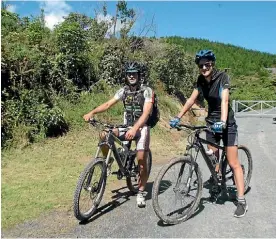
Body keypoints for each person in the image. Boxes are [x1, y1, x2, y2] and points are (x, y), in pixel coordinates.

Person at [169, 50, 248, 218]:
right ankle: (217, 178)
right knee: (212, 155)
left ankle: (241, 201)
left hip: (227, 123)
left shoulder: (222, 77)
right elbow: (191, 100)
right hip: (211, 122)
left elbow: (225, 99)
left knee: (233, 163)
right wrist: (178, 116)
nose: (204, 67)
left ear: (212, 64)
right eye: (201, 65)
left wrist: (224, 121)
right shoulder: (200, 80)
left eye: (207, 64)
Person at [83, 61, 154, 208]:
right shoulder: (124, 91)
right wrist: (93, 112)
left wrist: (135, 128)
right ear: (126, 76)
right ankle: (106, 162)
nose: (131, 76)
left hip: (142, 128)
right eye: (129, 73)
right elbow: (108, 104)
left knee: (141, 159)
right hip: (126, 126)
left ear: (139, 75)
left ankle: (140, 191)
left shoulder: (147, 91)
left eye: (134, 73)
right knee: (104, 134)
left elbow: (146, 113)